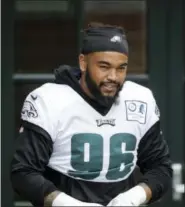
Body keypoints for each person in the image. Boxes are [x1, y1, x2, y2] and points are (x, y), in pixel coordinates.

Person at [11, 22, 172, 207]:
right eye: (104, 66)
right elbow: (23, 173)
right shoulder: (50, 100)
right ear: (83, 62)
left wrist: (135, 196)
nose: (113, 76)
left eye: (121, 68)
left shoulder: (139, 98)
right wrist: (68, 204)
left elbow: (161, 167)